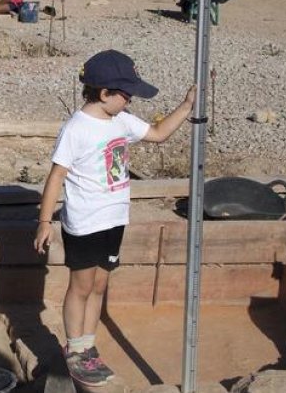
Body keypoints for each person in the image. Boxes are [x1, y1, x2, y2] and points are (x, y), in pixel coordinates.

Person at [34, 51, 195, 387]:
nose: (130, 100)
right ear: (104, 93)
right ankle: (75, 348)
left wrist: (186, 106)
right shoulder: (76, 129)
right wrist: (45, 222)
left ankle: (88, 345)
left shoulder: (122, 120)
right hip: (84, 222)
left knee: (100, 284)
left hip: (114, 219)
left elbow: (158, 133)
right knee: (81, 285)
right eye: (126, 94)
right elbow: (55, 177)